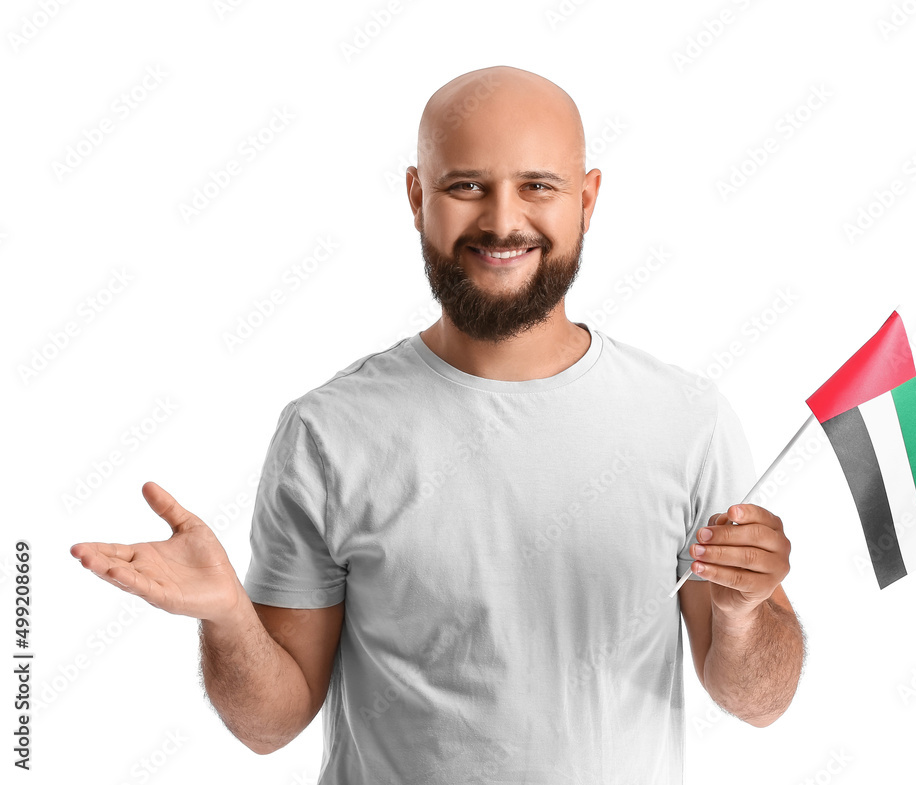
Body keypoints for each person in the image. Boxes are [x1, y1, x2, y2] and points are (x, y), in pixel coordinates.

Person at [71, 64, 805, 783]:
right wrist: (229, 614)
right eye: (467, 186)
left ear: (587, 200)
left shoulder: (685, 421)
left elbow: (760, 701)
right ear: (418, 196)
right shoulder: (328, 433)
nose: (502, 220)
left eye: (538, 186)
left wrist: (741, 615)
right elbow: (270, 724)